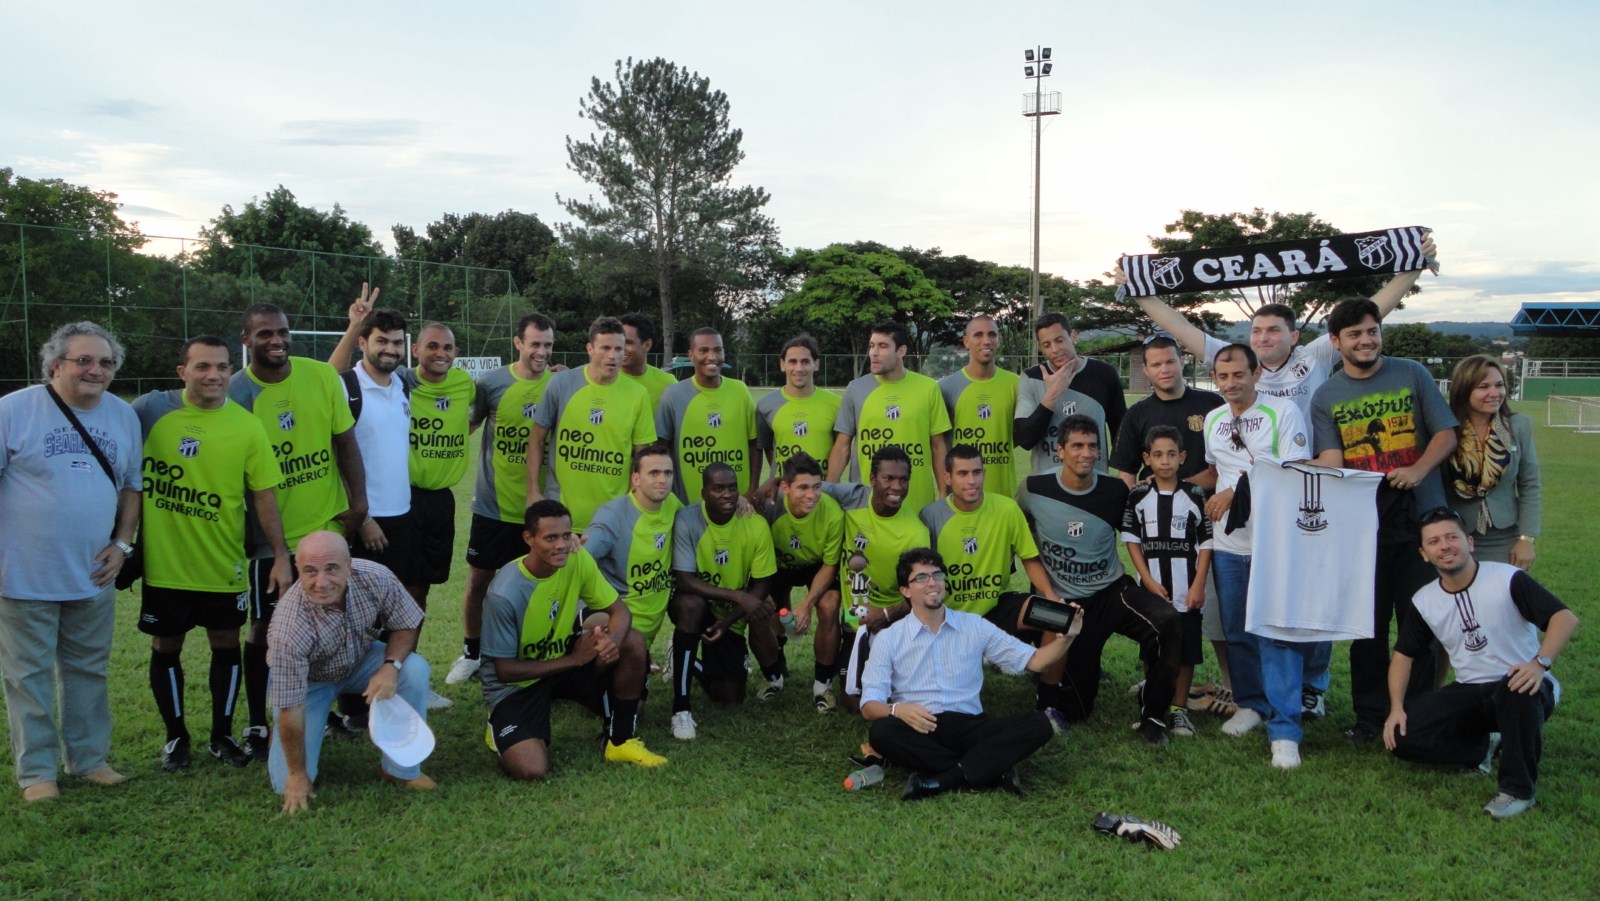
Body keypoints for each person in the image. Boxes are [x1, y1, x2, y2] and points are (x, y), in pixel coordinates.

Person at [132, 336, 291, 771]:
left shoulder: (246, 425)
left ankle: (221, 734)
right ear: (182, 371)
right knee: (167, 645)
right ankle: (175, 737)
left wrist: (279, 554)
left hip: (223, 563)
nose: (214, 375)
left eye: (221, 367)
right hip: (165, 565)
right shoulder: (149, 411)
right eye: (202, 367)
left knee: (225, 643)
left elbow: (264, 496)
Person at [0, 322, 140, 802]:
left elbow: (131, 487)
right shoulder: (13, 411)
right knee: (28, 677)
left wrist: (122, 545)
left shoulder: (123, 416)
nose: (95, 370)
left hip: (93, 574)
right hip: (22, 575)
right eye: (84, 360)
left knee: (88, 671)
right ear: (55, 365)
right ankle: (37, 773)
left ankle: (88, 760)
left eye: (105, 362)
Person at [1310, 297, 1457, 743]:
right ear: (1336, 342)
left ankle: (1416, 715)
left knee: (1421, 622)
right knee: (1367, 626)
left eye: (1372, 330)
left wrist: (1417, 470)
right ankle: (1371, 718)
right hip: (1363, 530)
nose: (1366, 340)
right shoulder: (1327, 395)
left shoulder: (1411, 372)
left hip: (1421, 523)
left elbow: (1446, 434)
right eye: (1354, 334)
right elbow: (1333, 461)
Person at [229, 303, 368, 757]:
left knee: (329, 621)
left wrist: (359, 504)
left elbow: (343, 441)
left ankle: (321, 709)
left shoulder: (321, 377)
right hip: (271, 541)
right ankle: (256, 721)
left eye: (283, 332)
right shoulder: (234, 393)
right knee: (267, 628)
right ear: (246, 340)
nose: (277, 340)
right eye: (265, 333)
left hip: (325, 527)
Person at [1384, 507, 1578, 819]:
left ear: (1469, 542)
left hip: (1522, 685)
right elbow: (1403, 656)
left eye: (1452, 537)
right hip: (1471, 690)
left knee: (1517, 688)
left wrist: (1539, 663)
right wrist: (1395, 708)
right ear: (1424, 553)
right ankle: (1481, 747)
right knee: (1401, 737)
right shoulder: (1424, 600)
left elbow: (1564, 618)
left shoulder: (1507, 578)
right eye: (1434, 542)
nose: (1445, 546)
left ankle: (1518, 791)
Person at [1128, 232, 1435, 420]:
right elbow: (1180, 326)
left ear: (1294, 336)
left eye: (1273, 330)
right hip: (1253, 470)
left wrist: (1413, 267)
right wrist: (1138, 289)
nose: (1263, 338)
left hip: (1310, 467)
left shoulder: (1313, 357)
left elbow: (1370, 312)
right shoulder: (1235, 360)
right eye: (1257, 331)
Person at [861, 548, 1081, 801]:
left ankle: (944, 779)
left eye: (937, 575)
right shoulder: (889, 638)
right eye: (921, 578)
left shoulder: (973, 625)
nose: (932, 582)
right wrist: (897, 710)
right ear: (905, 591)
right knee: (882, 732)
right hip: (919, 724)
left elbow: (1035, 661)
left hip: (970, 725)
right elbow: (869, 706)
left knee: (1040, 724)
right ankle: (992, 769)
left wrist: (1070, 636)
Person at [1019, 414, 1182, 745]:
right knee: (1078, 709)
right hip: (1069, 601)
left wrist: (1153, 486)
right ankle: (1049, 693)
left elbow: (1144, 517)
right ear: (1060, 451)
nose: (1086, 453)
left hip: (1112, 591)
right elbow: (1022, 542)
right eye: (1077, 446)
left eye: (1093, 446)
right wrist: (1045, 592)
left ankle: (1152, 714)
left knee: (1169, 623)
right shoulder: (1032, 489)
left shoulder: (1114, 490)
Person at [481, 500, 667, 779]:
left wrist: (610, 644)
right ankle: (498, 729)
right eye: (550, 538)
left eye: (566, 536)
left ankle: (620, 741)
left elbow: (619, 611)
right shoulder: (504, 593)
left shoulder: (577, 559)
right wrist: (575, 660)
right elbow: (505, 671)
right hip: (517, 684)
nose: (561, 545)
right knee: (531, 769)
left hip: (562, 662)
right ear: (528, 539)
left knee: (631, 644)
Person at [265, 531, 434, 814]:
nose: (321, 582)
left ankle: (400, 769)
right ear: (298, 570)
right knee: (284, 782)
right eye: (310, 571)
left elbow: (406, 623)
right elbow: (290, 710)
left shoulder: (376, 577)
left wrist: (390, 667)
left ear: (349, 565)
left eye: (331, 568)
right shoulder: (287, 629)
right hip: (311, 684)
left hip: (360, 661)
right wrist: (297, 775)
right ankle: (284, 742)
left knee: (414, 669)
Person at [1111, 334, 1229, 713]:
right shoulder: (1138, 414)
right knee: (1163, 606)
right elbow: (1125, 473)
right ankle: (1161, 677)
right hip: (1159, 531)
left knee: (1211, 609)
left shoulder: (1211, 405)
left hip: (1209, 522)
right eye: (1156, 364)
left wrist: (1179, 489)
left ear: (1183, 362)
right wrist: (1144, 509)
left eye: (1170, 361)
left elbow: (1222, 466)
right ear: (1145, 370)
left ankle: (1230, 684)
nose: (1164, 369)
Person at [444, 312, 551, 687]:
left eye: (548, 345)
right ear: (518, 342)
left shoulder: (559, 386)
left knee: (536, 584)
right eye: (535, 343)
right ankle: (472, 652)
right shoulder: (491, 383)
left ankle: (527, 652)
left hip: (539, 510)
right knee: (479, 582)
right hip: (492, 505)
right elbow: (466, 429)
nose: (541, 351)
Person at [668, 463, 780, 739]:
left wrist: (729, 619)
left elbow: (764, 581)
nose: (727, 494)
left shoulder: (754, 523)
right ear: (704, 492)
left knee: (730, 697)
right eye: (718, 489)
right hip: (699, 606)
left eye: (732, 488)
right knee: (690, 605)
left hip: (731, 616)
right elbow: (685, 579)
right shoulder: (687, 519)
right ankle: (681, 708)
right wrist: (737, 596)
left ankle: (683, 659)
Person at [1120, 426, 1213, 739]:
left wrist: (1199, 583)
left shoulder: (1194, 495)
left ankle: (1179, 710)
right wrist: (1146, 580)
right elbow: (1132, 541)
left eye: (1171, 454)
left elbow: (1207, 544)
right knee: (1153, 650)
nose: (1164, 461)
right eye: (1157, 455)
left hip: (1186, 589)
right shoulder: (1138, 496)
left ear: (1182, 457)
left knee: (1185, 652)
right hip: (1153, 590)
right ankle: (1153, 708)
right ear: (1146, 458)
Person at [527, 315, 657, 533]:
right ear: (589, 349)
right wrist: (532, 491)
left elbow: (643, 456)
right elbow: (537, 438)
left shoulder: (638, 394)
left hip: (612, 517)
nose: (613, 356)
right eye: (605, 348)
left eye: (618, 349)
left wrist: (636, 503)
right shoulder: (561, 383)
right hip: (560, 513)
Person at [830, 446, 932, 715]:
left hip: (895, 623)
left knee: (886, 699)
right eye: (889, 478)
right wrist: (770, 484)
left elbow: (922, 594)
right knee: (854, 704)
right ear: (872, 479)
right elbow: (810, 487)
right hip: (856, 621)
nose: (897, 487)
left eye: (903, 479)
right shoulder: (851, 502)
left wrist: (885, 614)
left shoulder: (915, 532)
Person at [827, 320, 951, 514]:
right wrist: (827, 491)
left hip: (916, 503)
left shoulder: (928, 388)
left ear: (901, 351)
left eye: (883, 346)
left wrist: (944, 495)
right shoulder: (855, 389)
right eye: (871, 346)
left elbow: (938, 446)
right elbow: (842, 446)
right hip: (865, 503)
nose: (873, 353)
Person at [584, 445, 684, 677]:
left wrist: (740, 500)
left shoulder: (672, 505)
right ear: (635, 478)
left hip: (651, 622)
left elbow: (701, 520)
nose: (663, 480)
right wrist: (573, 548)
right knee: (630, 707)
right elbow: (581, 559)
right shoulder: (613, 515)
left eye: (668, 473)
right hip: (619, 625)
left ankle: (669, 653)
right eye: (654, 473)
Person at [760, 452, 846, 713]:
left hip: (815, 566)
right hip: (779, 565)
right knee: (771, 608)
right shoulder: (768, 507)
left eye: (817, 487)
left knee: (829, 606)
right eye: (803, 488)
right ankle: (774, 675)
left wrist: (807, 604)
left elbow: (830, 565)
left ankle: (822, 686)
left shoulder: (831, 511)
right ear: (784, 487)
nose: (812, 495)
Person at [1444, 355, 1540, 569]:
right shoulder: (1445, 428)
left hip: (1506, 538)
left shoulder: (1519, 426)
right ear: (1464, 389)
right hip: (1454, 536)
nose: (1494, 393)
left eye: (1499, 385)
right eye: (1484, 387)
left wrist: (1527, 539)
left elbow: (1530, 485)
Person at [1015, 312, 1126, 479]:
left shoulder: (1104, 374)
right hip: (1047, 486)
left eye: (1059, 340)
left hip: (1094, 483)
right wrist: (1053, 393)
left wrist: (1122, 477)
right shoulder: (1031, 378)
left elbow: (1121, 432)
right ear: (1040, 347)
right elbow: (1025, 440)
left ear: (1073, 336)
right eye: (1047, 344)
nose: (1055, 349)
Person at [655, 327, 762, 502]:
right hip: (688, 503)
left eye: (717, 350)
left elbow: (754, 444)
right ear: (691, 355)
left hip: (736, 503)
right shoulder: (673, 394)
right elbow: (660, 449)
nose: (712, 357)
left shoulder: (740, 390)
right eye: (704, 350)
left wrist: (752, 490)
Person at [938, 315, 1019, 497]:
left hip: (1003, 496)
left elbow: (1022, 435)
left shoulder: (1016, 384)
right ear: (966, 341)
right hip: (961, 497)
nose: (986, 341)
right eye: (978, 335)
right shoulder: (945, 388)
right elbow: (939, 445)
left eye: (992, 335)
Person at [755, 335, 841, 476]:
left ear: (816, 364)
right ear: (783, 365)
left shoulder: (836, 404)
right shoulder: (766, 405)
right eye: (793, 362)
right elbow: (767, 449)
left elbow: (841, 449)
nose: (799, 368)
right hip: (783, 492)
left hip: (823, 490)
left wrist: (830, 486)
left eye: (805, 362)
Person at [620, 312, 678, 411]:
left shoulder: (668, 385)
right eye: (618, 342)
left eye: (628, 343)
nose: (621, 348)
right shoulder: (603, 379)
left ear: (647, 345)